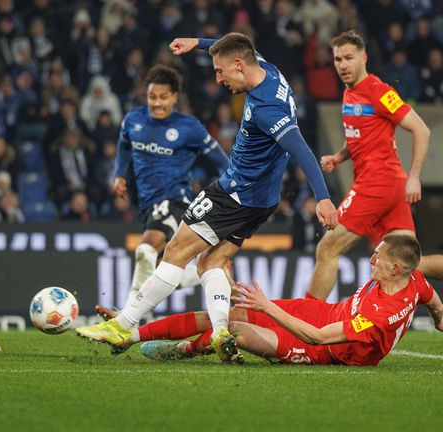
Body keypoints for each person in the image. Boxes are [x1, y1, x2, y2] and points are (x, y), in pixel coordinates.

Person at [75, 33, 338, 362]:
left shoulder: (267, 108)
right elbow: (238, 46)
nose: (218, 80)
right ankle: (220, 331)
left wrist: (323, 197)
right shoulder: (268, 69)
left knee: (174, 251)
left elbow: (301, 149)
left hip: (235, 192)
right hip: (263, 199)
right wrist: (198, 42)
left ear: (239, 66)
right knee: (209, 261)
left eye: (220, 72)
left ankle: (123, 324)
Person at [133, 235, 443, 367]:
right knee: (231, 312)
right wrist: (439, 318)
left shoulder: (380, 315)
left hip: (323, 348)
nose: (372, 256)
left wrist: (269, 306)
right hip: (320, 311)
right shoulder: (414, 280)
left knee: (237, 329)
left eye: (380, 255)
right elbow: (433, 301)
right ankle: (131, 334)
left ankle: (183, 351)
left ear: (395, 268)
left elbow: (318, 338)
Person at [95, 64, 230, 320]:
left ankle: (126, 318)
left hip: (175, 200)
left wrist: (231, 191)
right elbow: (124, 145)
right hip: (147, 204)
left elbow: (221, 161)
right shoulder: (133, 121)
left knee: (145, 250)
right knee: (161, 270)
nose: (157, 103)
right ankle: (211, 274)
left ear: (175, 97)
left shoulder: (189, 127)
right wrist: (119, 174)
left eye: (163, 97)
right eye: (152, 97)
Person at [308, 30, 435, 301]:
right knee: (408, 260)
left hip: (377, 182)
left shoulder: (379, 92)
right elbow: (358, 136)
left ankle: (304, 320)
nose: (342, 65)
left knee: (327, 249)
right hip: (388, 186)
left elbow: (421, 130)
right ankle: (439, 311)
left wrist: (414, 176)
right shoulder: (349, 93)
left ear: (363, 58)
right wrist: (339, 157)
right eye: (338, 59)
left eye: (349, 58)